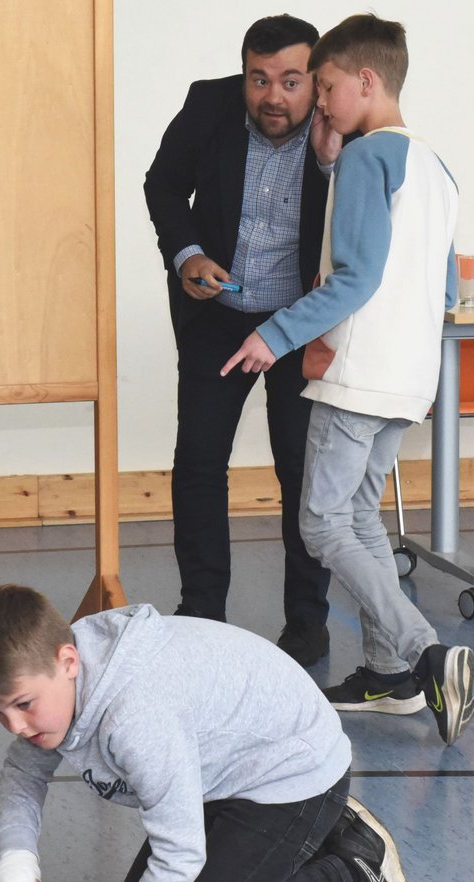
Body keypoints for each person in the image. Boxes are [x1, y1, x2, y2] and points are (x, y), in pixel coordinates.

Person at [0, 585, 416, 882]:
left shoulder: (135, 718)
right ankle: (306, 844)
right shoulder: (59, 678)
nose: (15, 726)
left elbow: (181, 852)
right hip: (224, 773)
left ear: (67, 661)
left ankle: (349, 872)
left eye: (23, 705)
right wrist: (17, 856)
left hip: (294, 778)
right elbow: (24, 773)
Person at [221, 15, 474, 747]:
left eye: (327, 87)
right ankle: (387, 674)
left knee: (322, 523)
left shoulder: (368, 159)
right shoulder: (435, 168)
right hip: (409, 381)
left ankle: (425, 651)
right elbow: (442, 286)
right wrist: (331, 167)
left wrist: (275, 334)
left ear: (366, 81)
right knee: (360, 519)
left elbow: (357, 276)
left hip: (356, 376)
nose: (321, 105)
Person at [144, 14, 343, 666]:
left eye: (290, 81)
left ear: (315, 80)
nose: (272, 96)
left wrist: (332, 161)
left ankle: (307, 622)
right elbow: (162, 184)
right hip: (218, 317)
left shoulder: (341, 128)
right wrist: (188, 254)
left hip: (299, 325)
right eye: (259, 80)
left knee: (301, 471)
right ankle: (202, 612)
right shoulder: (208, 106)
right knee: (199, 465)